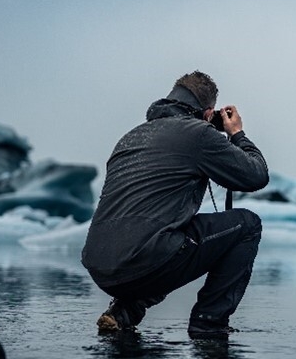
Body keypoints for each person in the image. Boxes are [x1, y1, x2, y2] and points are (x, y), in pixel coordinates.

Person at [81, 70, 269, 338]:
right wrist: (237, 134)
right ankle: (209, 323)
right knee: (248, 225)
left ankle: (125, 311)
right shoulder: (198, 133)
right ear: (208, 112)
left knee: (164, 236)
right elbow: (256, 175)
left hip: (99, 265)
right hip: (144, 258)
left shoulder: (131, 137)